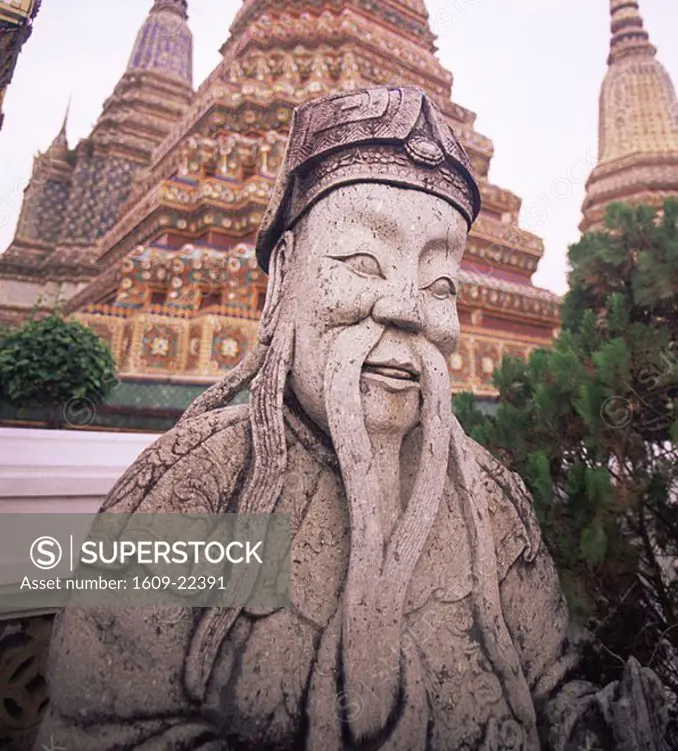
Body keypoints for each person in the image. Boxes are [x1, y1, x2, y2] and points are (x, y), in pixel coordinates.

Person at [35, 86, 667, 750]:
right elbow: (103, 729)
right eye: (363, 262)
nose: (408, 309)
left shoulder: (493, 504)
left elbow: (551, 690)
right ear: (282, 277)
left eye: (440, 284)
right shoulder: (201, 490)